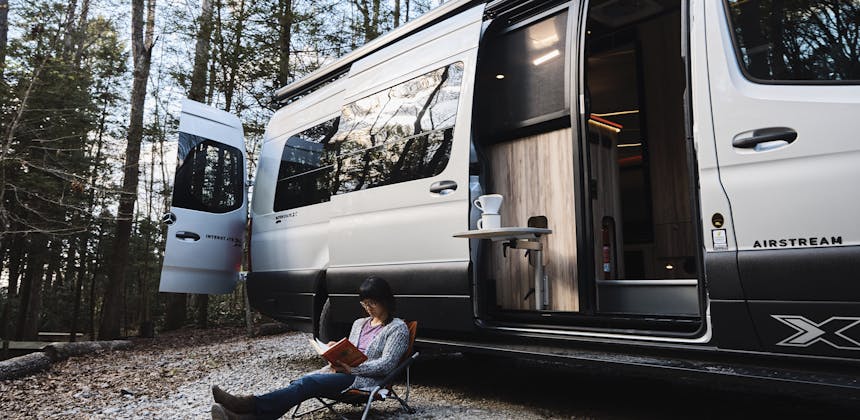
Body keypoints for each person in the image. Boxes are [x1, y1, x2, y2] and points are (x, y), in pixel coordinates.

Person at [211, 276, 410, 420]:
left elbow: (387, 364)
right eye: (364, 303)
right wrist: (336, 350)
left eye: (372, 303)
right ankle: (247, 417)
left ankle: (245, 404)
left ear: (385, 300)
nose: (368, 307)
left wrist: (353, 369)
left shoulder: (397, 328)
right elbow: (352, 350)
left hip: (364, 380)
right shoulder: (360, 323)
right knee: (302, 382)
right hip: (342, 372)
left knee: (307, 384)